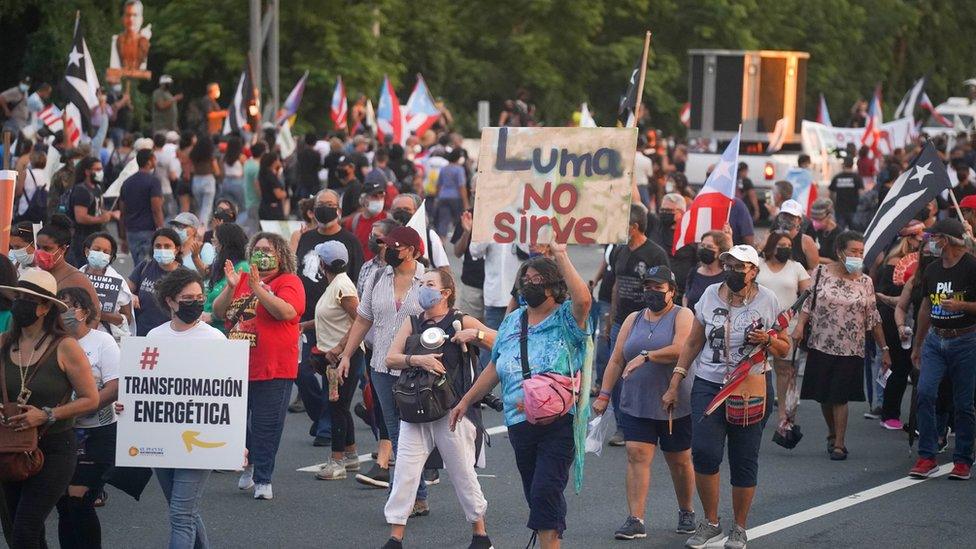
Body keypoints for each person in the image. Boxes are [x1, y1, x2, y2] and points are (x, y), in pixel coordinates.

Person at [448, 244, 591, 548]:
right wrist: (465, 401)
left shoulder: (567, 318)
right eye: (525, 279)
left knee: (544, 491)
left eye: (537, 280)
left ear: (554, 287)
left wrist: (562, 254)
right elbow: (496, 368)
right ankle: (550, 533)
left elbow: (584, 299)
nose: (529, 284)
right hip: (519, 421)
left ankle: (548, 541)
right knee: (536, 495)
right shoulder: (513, 321)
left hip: (559, 421)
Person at [669, 244, 787, 549]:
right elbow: (694, 341)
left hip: (750, 384)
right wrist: (675, 381)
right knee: (705, 452)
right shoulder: (709, 295)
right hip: (709, 384)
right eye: (729, 264)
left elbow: (785, 346)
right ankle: (710, 522)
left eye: (740, 266)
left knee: (743, 457)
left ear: (753, 271)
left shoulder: (768, 299)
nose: (733, 270)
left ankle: (739, 527)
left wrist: (769, 339)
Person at [380, 269, 496, 549]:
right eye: (420, 283)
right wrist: (418, 360)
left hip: (451, 410)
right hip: (415, 408)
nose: (423, 288)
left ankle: (480, 536)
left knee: (462, 473)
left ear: (445, 293)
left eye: (430, 284)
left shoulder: (459, 320)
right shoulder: (413, 322)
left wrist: (476, 333)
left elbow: (500, 340)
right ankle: (395, 538)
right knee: (405, 472)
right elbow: (391, 358)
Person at [593, 266, 696, 540]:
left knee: (679, 460)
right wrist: (604, 394)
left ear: (671, 291)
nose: (652, 292)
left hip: (672, 401)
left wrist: (647, 356)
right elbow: (617, 358)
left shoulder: (682, 315)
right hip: (636, 402)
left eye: (658, 288)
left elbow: (681, 348)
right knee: (636, 454)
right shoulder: (633, 318)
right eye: (648, 287)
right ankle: (635, 518)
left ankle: (687, 511)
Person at [0, 269, 98, 548]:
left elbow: (90, 398)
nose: (19, 304)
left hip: (54, 447)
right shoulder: (4, 343)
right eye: (17, 297)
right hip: (10, 447)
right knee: (18, 533)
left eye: (27, 299)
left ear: (45, 307)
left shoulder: (65, 347)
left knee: (25, 529)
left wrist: (47, 414)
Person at [337, 227, 429, 500]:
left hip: (415, 368)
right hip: (380, 366)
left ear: (412, 251)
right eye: (386, 245)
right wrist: (346, 355)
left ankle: (410, 494)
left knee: (412, 432)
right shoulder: (378, 276)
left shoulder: (428, 280)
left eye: (394, 247)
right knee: (396, 431)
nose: (387, 251)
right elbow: (363, 319)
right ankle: (410, 494)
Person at [213, 232, 305, 501]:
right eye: (258, 248)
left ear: (281, 255)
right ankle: (248, 465)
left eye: (268, 249)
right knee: (239, 423)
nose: (262, 253)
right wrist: (231, 287)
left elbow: (286, 312)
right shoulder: (241, 279)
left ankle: (264, 478)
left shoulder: (289, 281)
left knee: (266, 424)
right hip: (238, 364)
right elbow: (220, 313)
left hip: (274, 367)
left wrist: (258, 289)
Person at [141, 268, 225, 547]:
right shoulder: (154, 337)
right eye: (187, 298)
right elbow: (144, 387)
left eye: (199, 297)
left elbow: (229, 395)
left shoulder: (214, 339)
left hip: (199, 440)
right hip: (162, 438)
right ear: (170, 301)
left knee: (180, 513)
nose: (196, 303)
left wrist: (235, 439)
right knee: (184, 511)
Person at [793, 231, 889, 461]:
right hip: (821, 343)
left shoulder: (865, 281)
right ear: (839, 252)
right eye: (853, 251)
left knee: (839, 396)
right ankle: (831, 432)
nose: (858, 256)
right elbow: (808, 303)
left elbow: (873, 317)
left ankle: (839, 443)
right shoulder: (820, 273)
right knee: (824, 396)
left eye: (861, 252)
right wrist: (799, 326)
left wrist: (884, 348)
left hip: (851, 348)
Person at [909, 219, 976, 480]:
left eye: (933, 238)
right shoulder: (933, 269)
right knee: (925, 393)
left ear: (945, 240)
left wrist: (962, 307)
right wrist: (918, 343)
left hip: (966, 341)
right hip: (936, 341)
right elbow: (926, 307)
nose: (931, 243)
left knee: (963, 403)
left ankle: (963, 460)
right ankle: (927, 456)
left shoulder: (971, 267)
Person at [53, 287, 119, 549]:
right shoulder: (52, 343)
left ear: (83, 311)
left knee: (80, 501)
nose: (64, 312)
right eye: (59, 306)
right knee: (64, 506)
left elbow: (114, 387)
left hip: (96, 433)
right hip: (60, 435)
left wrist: (81, 407)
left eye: (69, 306)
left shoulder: (102, 342)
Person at [607, 204, 670, 444]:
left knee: (644, 372)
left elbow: (667, 286)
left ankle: (654, 420)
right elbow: (615, 284)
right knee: (616, 368)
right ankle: (622, 426)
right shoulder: (619, 251)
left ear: (634, 227)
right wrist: (611, 318)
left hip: (647, 323)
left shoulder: (655, 253)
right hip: (621, 321)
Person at [303, 241, 365, 479]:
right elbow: (330, 317)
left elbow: (360, 320)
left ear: (322, 264)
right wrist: (305, 326)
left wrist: (340, 348)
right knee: (341, 406)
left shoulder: (343, 288)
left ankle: (337, 462)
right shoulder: (337, 285)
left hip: (344, 356)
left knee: (337, 407)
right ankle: (350, 456)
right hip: (336, 355)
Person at [756, 231, 811, 426]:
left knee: (784, 369)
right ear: (771, 246)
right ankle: (756, 408)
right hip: (758, 324)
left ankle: (783, 414)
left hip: (787, 325)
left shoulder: (796, 267)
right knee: (755, 367)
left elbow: (807, 298)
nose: (786, 248)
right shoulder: (757, 265)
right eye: (781, 245)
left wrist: (801, 325)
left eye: (789, 245)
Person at [873, 222, 923, 429]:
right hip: (894, 318)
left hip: (913, 317)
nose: (921, 240)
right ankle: (889, 412)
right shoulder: (895, 262)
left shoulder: (921, 262)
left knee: (914, 367)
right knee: (899, 365)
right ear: (909, 239)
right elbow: (892, 298)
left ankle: (917, 417)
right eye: (918, 236)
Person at [35, 216, 101, 321]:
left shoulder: (77, 279)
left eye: (47, 248)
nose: (41, 252)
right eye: (38, 247)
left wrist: (76, 337)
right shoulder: (33, 274)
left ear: (62, 249)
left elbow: (95, 315)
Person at [127, 227, 185, 336]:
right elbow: (125, 290)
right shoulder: (145, 267)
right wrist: (130, 295)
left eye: (167, 246)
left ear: (176, 249)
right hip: (142, 334)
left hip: (170, 336)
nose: (162, 249)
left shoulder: (184, 275)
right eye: (158, 246)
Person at [80, 232, 134, 340]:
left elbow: (127, 319)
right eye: (96, 249)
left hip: (108, 339)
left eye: (106, 252)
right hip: (79, 336)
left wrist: (99, 314)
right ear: (87, 251)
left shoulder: (118, 282)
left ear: (110, 257)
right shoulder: (76, 276)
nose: (101, 254)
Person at [65, 157, 116, 268]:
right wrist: (101, 219)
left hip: (95, 236)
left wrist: (109, 214)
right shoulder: (81, 190)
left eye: (101, 169)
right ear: (87, 172)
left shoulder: (97, 188)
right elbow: (81, 217)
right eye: (96, 169)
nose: (100, 172)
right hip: (81, 238)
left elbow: (97, 209)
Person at [118, 148, 165, 266]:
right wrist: (161, 229)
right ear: (149, 162)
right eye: (154, 158)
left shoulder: (127, 183)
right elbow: (156, 208)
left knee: (138, 266)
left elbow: (122, 211)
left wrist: (123, 237)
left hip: (131, 231)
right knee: (147, 267)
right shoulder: (154, 181)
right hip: (148, 230)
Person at [203, 223, 249, 333]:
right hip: (209, 330)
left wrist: (212, 316)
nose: (213, 245)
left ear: (225, 243)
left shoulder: (242, 268)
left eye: (215, 241)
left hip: (226, 332)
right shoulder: (221, 265)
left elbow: (242, 306)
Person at [389, 194, 451, 270]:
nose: (402, 212)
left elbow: (444, 268)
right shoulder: (386, 233)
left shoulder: (429, 235)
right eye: (398, 210)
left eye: (407, 209)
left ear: (416, 211)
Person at [654, 193, 696, 304]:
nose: (664, 213)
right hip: (656, 292)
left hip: (681, 296)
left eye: (668, 211)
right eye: (662, 210)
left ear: (681, 213)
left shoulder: (691, 235)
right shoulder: (654, 226)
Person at [451, 210, 486, 322]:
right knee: (469, 326)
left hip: (500, 288)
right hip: (472, 283)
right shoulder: (468, 216)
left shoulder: (507, 214)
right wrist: (467, 232)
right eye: (473, 192)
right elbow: (457, 252)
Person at [683, 231, 731, 312]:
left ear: (720, 251)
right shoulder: (694, 272)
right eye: (702, 246)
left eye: (710, 247)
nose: (704, 249)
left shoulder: (727, 276)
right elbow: (687, 297)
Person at [344, 175, 388, 260]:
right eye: (374, 196)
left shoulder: (388, 219)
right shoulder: (353, 222)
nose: (379, 200)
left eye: (381, 196)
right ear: (363, 199)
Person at [774, 199, 819, 270]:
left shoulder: (806, 241)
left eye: (791, 216)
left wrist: (797, 276)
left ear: (799, 220)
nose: (787, 219)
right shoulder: (772, 237)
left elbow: (814, 270)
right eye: (784, 215)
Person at [433, 148, 469, 237]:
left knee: (443, 222)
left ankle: (442, 242)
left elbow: (438, 185)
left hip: (443, 196)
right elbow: (462, 186)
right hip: (456, 198)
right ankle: (457, 242)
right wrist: (466, 203)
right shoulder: (459, 169)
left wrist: (437, 197)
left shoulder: (444, 169)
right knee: (458, 222)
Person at [189, 133, 220, 226]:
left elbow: (192, 169)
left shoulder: (193, 155)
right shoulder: (210, 155)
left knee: (199, 208)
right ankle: (203, 230)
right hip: (208, 180)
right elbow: (217, 170)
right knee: (206, 209)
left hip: (196, 180)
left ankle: (197, 227)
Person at [828, 156, 862, 230]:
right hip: (853, 208)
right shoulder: (857, 177)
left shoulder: (837, 177)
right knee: (854, 234)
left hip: (840, 209)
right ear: (852, 165)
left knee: (840, 233)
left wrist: (834, 204)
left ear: (843, 165)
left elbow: (831, 193)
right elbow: (861, 194)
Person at [806, 198, 842, 265]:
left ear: (829, 216)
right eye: (813, 219)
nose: (815, 223)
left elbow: (835, 262)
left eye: (819, 220)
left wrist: (812, 256)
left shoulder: (838, 234)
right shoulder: (811, 227)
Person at [242, 141, 265, 235]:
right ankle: (253, 247)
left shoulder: (247, 163)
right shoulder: (258, 167)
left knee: (251, 225)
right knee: (255, 228)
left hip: (248, 198)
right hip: (256, 201)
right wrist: (262, 196)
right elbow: (257, 184)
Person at [257, 152, 286, 221]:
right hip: (273, 209)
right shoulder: (271, 176)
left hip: (264, 205)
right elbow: (278, 194)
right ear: (273, 162)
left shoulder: (262, 174)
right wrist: (284, 193)